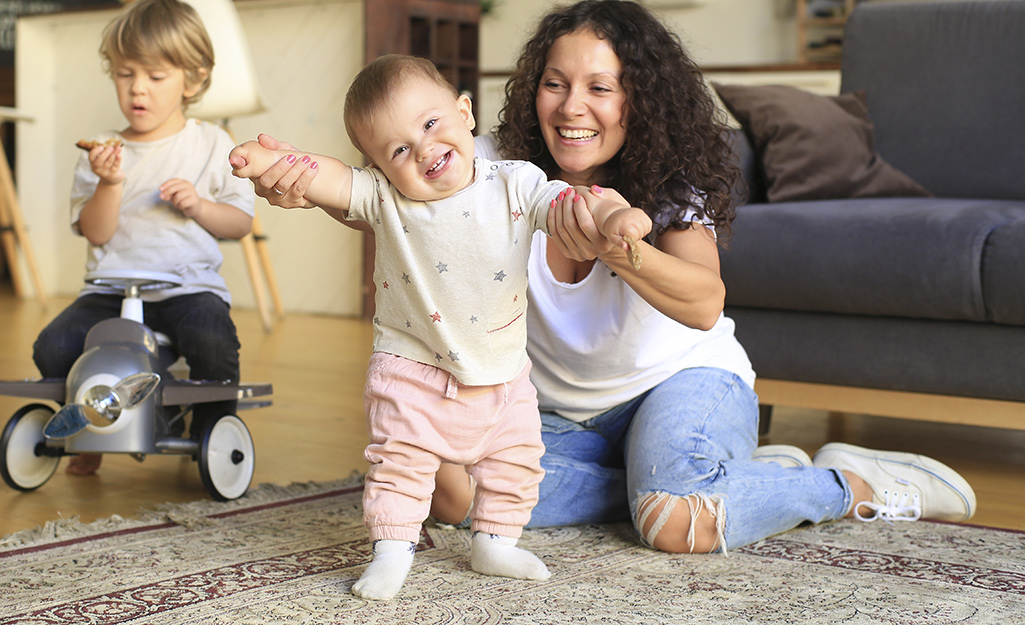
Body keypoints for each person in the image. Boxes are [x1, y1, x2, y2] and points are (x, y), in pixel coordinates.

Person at [246, 0, 975, 556]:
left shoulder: (670, 185)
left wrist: (620, 249)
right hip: (561, 415)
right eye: (555, 83)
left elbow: (703, 303)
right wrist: (300, 183)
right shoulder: (493, 167)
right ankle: (700, 472)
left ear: (638, 98)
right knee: (456, 495)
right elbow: (398, 206)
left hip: (685, 383)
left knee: (672, 523)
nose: (572, 107)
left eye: (601, 87)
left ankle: (846, 482)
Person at [229, 54, 651, 600]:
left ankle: (495, 541)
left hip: (502, 372)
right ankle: (392, 549)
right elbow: (327, 177)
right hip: (411, 368)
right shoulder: (384, 196)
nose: (423, 148)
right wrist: (273, 161)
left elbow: (570, 205)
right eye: (398, 149)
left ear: (465, 112)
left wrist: (615, 218)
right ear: (379, 167)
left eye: (430, 125)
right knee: (399, 464)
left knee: (517, 460)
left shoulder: (516, 184)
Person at [33, 0, 254, 475]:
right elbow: (96, 232)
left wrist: (198, 206)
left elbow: (239, 223)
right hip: (110, 289)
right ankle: (91, 424)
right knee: (53, 346)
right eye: (125, 73)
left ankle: (210, 434)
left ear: (191, 80)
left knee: (212, 341)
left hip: (186, 287)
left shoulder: (213, 143)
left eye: (156, 76)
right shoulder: (101, 152)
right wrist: (110, 184)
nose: (137, 88)